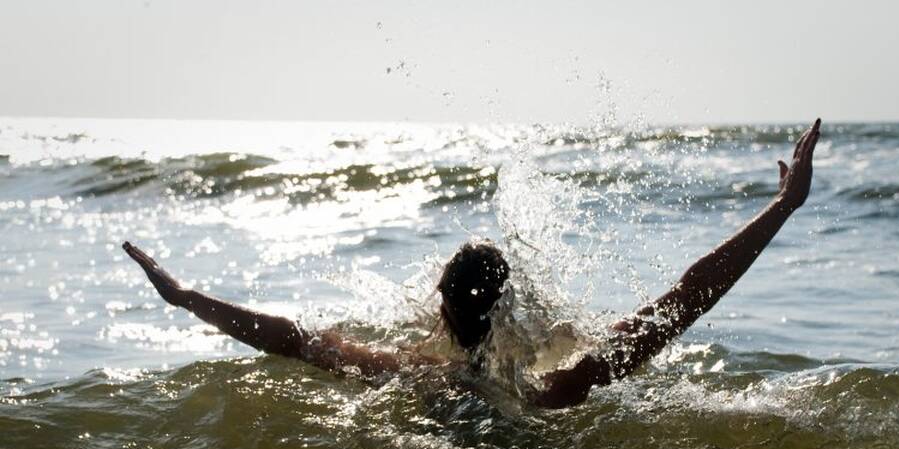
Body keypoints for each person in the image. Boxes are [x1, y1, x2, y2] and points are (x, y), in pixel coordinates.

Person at [123, 119, 821, 409]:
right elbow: (686, 298)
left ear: (440, 304)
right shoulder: (560, 385)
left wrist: (185, 297)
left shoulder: (415, 374)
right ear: (510, 305)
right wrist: (782, 207)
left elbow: (289, 337)